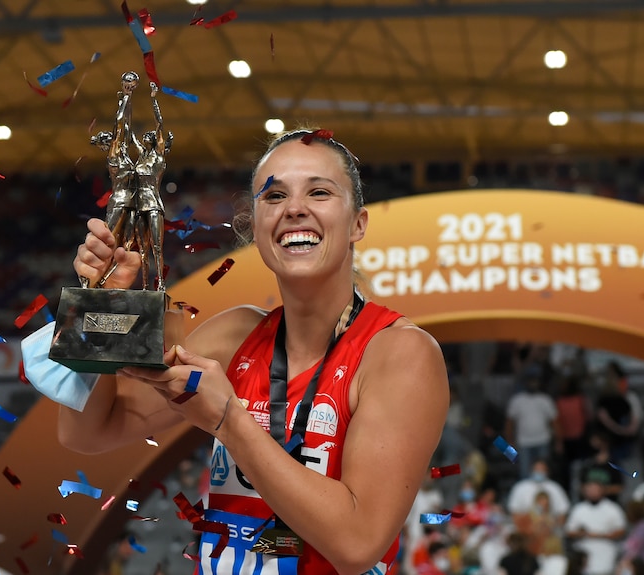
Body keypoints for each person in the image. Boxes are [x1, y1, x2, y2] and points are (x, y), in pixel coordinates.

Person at [62, 129, 450, 575]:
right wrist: (101, 306)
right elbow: (87, 433)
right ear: (255, 226)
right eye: (274, 196)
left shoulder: (399, 352)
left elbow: (357, 544)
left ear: (358, 224)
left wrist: (229, 421)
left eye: (319, 192)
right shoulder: (233, 336)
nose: (294, 208)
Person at [89, 71, 139, 289]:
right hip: (119, 201)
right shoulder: (114, 157)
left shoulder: (125, 155)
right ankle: (90, 283)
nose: (114, 139)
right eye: (108, 139)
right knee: (107, 244)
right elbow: (120, 125)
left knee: (126, 248)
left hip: (133, 203)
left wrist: (125, 101)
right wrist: (126, 96)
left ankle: (106, 283)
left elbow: (125, 128)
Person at [131, 81, 173, 291]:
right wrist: (127, 97)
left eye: (150, 136)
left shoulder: (158, 157)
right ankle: (146, 285)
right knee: (141, 249)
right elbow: (127, 133)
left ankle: (161, 284)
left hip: (154, 205)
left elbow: (160, 124)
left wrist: (154, 98)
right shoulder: (140, 159)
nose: (145, 137)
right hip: (139, 207)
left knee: (156, 247)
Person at [565, 475, 627, 575]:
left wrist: (601, 535)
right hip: (584, 553)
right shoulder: (579, 509)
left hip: (606, 551)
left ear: (602, 490)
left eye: (596, 489)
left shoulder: (613, 508)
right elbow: (569, 531)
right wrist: (583, 534)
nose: (593, 492)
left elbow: (621, 530)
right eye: (590, 489)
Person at [504, 372, 561, 479]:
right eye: (531, 382)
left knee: (544, 471)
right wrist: (509, 442)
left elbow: (554, 422)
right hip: (523, 442)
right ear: (526, 383)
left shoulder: (545, 399)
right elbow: (509, 423)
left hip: (543, 441)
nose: (533, 384)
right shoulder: (517, 400)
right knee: (525, 472)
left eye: (535, 382)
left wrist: (558, 441)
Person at [506, 460, 570, 526]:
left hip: (550, 528)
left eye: (542, 469)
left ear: (547, 471)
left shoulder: (555, 488)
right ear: (531, 470)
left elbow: (562, 513)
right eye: (537, 469)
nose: (539, 472)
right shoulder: (520, 487)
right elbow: (514, 513)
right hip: (526, 527)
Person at [619, 500, 644, 575]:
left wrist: (623, 562)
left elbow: (634, 548)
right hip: (639, 566)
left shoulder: (643, 527)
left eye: (628, 512)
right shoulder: (638, 526)